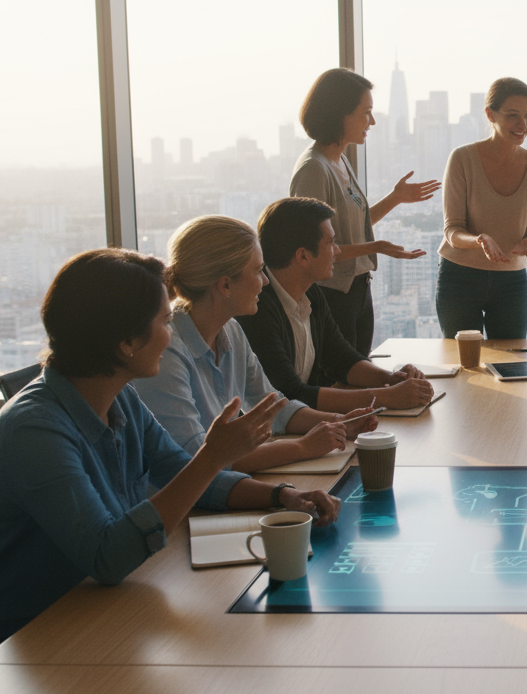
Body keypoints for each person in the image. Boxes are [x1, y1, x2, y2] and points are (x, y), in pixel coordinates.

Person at [0, 249, 342, 642]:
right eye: (166, 322)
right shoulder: (34, 431)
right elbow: (108, 557)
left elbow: (179, 467)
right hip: (19, 639)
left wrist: (283, 496)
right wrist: (216, 455)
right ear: (126, 343)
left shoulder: (119, 397)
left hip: (95, 611)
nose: (172, 336)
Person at [135, 215, 380, 473]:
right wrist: (303, 447)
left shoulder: (231, 330)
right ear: (226, 285)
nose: (264, 281)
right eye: (257, 271)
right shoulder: (166, 352)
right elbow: (198, 459)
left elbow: (272, 407)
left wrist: (339, 423)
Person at [238, 197, 434, 413]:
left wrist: (391, 379)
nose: (338, 251)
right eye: (331, 243)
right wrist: (385, 397)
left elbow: (340, 359)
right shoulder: (256, 308)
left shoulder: (311, 292)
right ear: (303, 256)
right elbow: (290, 394)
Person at [292, 67, 439, 354]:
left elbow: (352, 227)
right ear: (339, 113)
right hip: (331, 295)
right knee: (344, 379)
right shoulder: (313, 169)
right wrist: (378, 246)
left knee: (360, 372)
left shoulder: (341, 161)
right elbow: (312, 250)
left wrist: (396, 198)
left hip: (358, 291)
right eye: (365, 111)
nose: (371, 121)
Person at [435, 77, 527, 339]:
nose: (523, 125)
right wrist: (480, 240)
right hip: (460, 278)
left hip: (512, 281)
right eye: (512, 116)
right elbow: (452, 230)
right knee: (464, 365)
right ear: (490, 114)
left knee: (512, 365)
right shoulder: (462, 159)